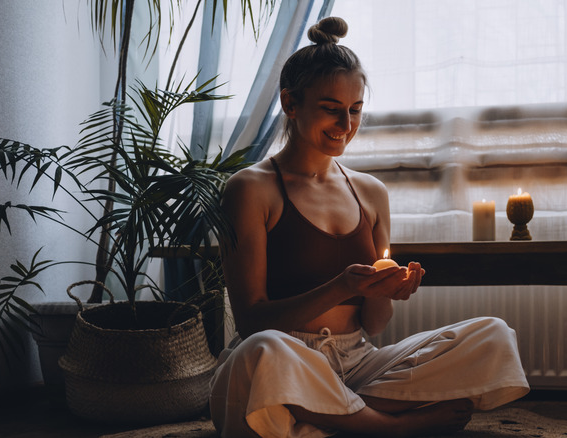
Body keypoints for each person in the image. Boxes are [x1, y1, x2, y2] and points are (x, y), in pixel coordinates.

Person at [210, 16, 530, 438]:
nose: (346, 127)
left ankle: (323, 418)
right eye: (331, 110)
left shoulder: (371, 192)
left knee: (493, 335)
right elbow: (252, 322)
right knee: (262, 353)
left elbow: (376, 325)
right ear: (290, 103)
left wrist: (385, 291)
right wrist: (343, 286)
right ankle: (388, 426)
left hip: (358, 363)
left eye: (355, 110)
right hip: (285, 359)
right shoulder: (250, 189)